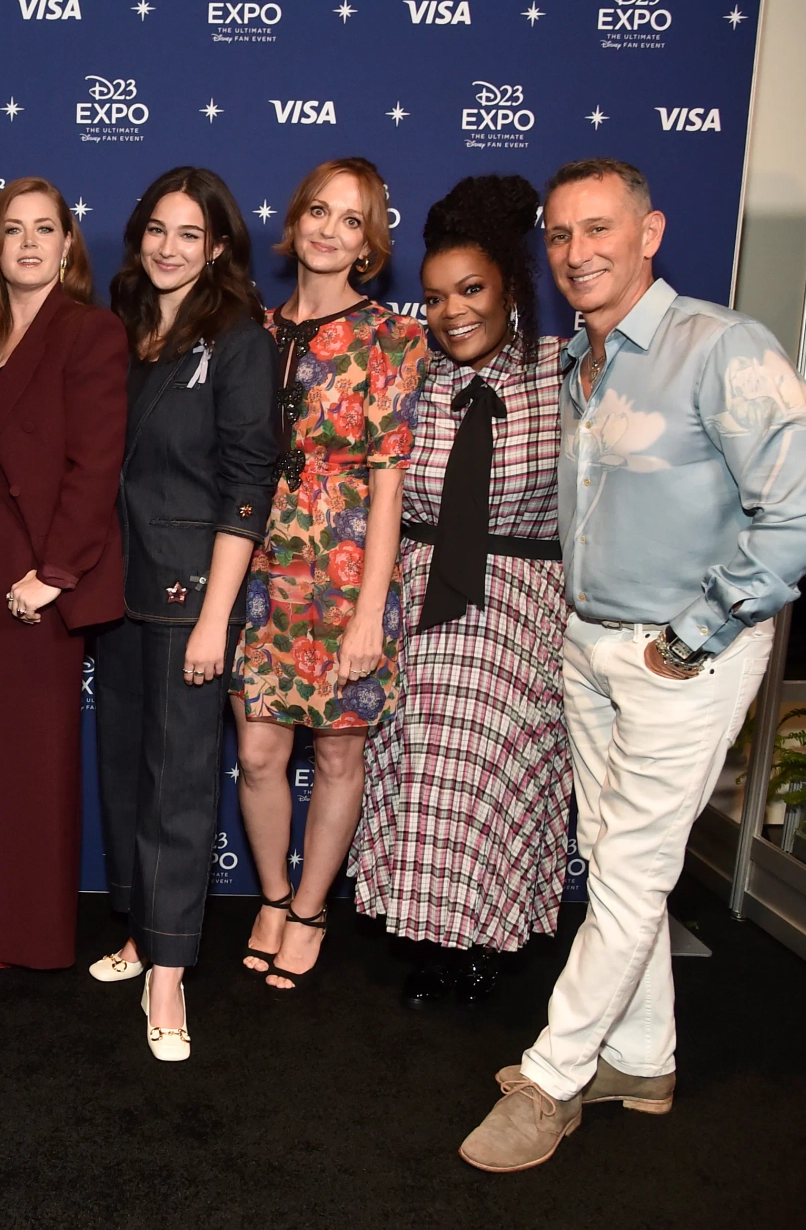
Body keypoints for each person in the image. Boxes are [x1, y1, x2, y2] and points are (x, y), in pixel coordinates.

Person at [459, 159, 806, 1173]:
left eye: (599, 229)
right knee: (627, 865)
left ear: (651, 232)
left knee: (627, 870)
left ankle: (552, 1078)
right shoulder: (586, 361)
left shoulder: (721, 347)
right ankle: (643, 1056)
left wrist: (702, 630)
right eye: (559, 235)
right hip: (591, 644)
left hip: (683, 652)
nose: (576, 252)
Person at [355, 175, 572, 1011]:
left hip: (522, 603)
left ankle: (487, 939)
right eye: (437, 296)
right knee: (419, 772)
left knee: (498, 774)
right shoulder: (413, 376)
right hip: (419, 600)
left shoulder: (567, 372)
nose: (452, 312)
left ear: (511, 287)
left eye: (472, 290)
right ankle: (431, 935)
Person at [91, 167, 277, 1058]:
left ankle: (169, 978)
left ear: (217, 249)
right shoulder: (125, 325)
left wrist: (215, 614)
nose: (168, 247)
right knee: (127, 771)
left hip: (185, 595)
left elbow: (248, 484)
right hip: (112, 585)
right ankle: (140, 932)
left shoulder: (237, 337)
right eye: (157, 229)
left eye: (189, 235)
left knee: (178, 786)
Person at [229, 158, 428, 992]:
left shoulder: (392, 337)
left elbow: (389, 490)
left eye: (352, 219)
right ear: (296, 219)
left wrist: (367, 614)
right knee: (259, 750)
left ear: (369, 241)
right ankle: (272, 896)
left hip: (346, 577)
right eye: (319, 210)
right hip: (259, 570)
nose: (329, 229)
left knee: (340, 760)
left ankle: (312, 909)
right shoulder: (251, 332)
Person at [0, 178, 129, 971]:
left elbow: (96, 464)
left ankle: (35, 934)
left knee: (34, 754)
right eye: (12, 228)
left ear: (67, 247)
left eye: (44, 229)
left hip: (35, 561)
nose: (27, 242)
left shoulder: (88, 332)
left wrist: (53, 571)